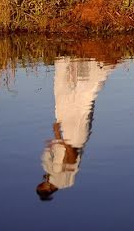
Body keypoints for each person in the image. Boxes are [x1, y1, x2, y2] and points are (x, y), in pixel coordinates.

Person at [36, 57, 114, 201]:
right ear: (47, 190)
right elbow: (71, 156)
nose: (40, 183)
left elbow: (57, 151)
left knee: (69, 98)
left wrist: (57, 134)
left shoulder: (52, 175)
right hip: (72, 138)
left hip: (67, 135)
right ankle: (103, 62)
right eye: (41, 187)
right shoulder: (62, 181)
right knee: (83, 100)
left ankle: (77, 59)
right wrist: (60, 136)